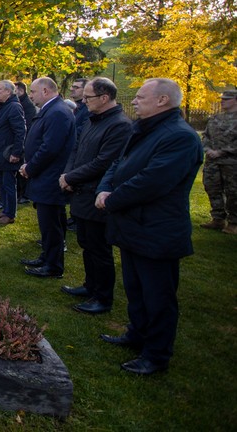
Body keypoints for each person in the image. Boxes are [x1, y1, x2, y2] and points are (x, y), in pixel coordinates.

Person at [95, 78, 203, 375]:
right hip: (133, 226)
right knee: (136, 287)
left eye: (141, 97)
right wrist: (104, 189)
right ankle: (137, 333)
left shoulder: (179, 137)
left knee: (158, 295)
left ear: (162, 101)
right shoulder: (143, 130)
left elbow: (152, 182)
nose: (135, 101)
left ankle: (156, 353)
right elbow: (118, 164)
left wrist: (113, 198)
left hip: (158, 228)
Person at [58, 77, 132, 314]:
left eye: (88, 97)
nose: (84, 100)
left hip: (96, 194)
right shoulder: (92, 119)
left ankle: (102, 296)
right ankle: (90, 286)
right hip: (80, 190)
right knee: (86, 243)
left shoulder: (119, 125)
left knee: (99, 248)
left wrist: (72, 177)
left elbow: (105, 162)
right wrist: (68, 174)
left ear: (104, 98)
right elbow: (77, 149)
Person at [19, 77, 76, 278]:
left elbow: (50, 148)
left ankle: (53, 265)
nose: (30, 95)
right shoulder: (51, 110)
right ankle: (47, 256)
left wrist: (31, 168)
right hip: (45, 175)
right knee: (48, 223)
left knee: (51, 224)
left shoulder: (58, 112)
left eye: (33, 92)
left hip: (50, 177)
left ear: (45, 91)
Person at [0, 80, 26, 224]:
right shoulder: (3, 107)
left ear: (9, 92)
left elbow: (20, 132)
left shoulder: (14, 107)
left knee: (9, 185)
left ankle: (10, 215)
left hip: (7, 156)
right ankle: (5, 211)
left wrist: (16, 153)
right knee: (2, 183)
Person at [200, 89, 237, 234]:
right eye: (222, 99)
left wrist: (222, 151)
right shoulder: (215, 118)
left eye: (226, 99)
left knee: (233, 191)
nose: (222, 101)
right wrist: (208, 149)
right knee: (212, 188)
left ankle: (234, 223)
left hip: (232, 162)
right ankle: (217, 218)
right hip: (212, 162)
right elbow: (206, 136)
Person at [15, 81, 37, 204]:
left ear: (21, 91)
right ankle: (19, 193)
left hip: (25, 142)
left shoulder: (27, 106)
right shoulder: (19, 103)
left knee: (23, 170)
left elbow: (26, 125)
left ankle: (24, 195)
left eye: (15, 90)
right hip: (20, 141)